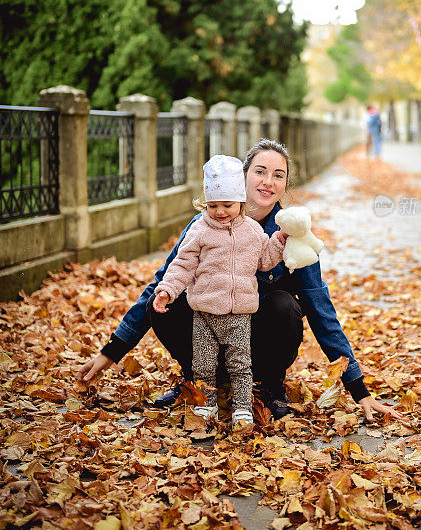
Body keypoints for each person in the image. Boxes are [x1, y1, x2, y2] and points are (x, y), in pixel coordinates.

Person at [78, 138, 404, 424]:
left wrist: (360, 391)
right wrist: (112, 351)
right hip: (208, 328)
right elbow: (163, 280)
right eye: (260, 171)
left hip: (258, 341)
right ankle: (197, 379)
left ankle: (269, 384)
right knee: (164, 297)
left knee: (284, 305)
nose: (268, 181)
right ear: (243, 177)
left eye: (279, 175)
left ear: (285, 185)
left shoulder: (292, 237)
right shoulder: (204, 224)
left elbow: (321, 310)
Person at [151, 154, 286, 429]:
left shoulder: (252, 231)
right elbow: (182, 265)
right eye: (213, 205)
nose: (221, 211)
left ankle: (242, 408)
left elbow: (265, 259)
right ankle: (207, 404)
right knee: (203, 364)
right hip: (204, 314)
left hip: (239, 315)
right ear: (205, 203)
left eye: (227, 204)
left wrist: (280, 241)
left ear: (240, 202)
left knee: (240, 364)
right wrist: (167, 290)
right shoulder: (200, 231)